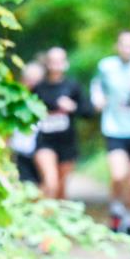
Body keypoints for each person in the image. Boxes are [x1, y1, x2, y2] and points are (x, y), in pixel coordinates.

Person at [91, 31, 130, 234]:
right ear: (117, 46)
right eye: (123, 45)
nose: (127, 49)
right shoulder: (106, 66)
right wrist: (98, 99)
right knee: (119, 175)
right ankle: (116, 207)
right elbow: (96, 86)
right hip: (114, 128)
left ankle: (129, 218)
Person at [33, 47, 91, 200]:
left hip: (67, 144)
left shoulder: (73, 86)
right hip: (45, 142)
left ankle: (55, 220)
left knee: (60, 189)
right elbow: (27, 114)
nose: (56, 65)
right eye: (53, 61)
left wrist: (73, 107)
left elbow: (88, 112)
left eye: (60, 61)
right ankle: (40, 216)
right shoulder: (38, 88)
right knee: (50, 182)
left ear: (65, 63)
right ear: (47, 63)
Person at [11, 61, 45, 184]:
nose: (32, 84)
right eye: (29, 80)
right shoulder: (13, 100)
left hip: (40, 150)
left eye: (36, 81)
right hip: (20, 152)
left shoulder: (44, 100)